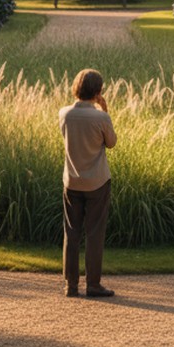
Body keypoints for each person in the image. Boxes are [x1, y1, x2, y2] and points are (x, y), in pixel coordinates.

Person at [58, 68, 117, 298]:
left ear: (76, 88)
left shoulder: (64, 113)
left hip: (72, 180)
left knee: (71, 233)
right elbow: (111, 143)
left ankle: (70, 285)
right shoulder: (101, 117)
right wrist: (105, 110)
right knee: (94, 233)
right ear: (98, 91)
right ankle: (93, 284)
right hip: (97, 181)